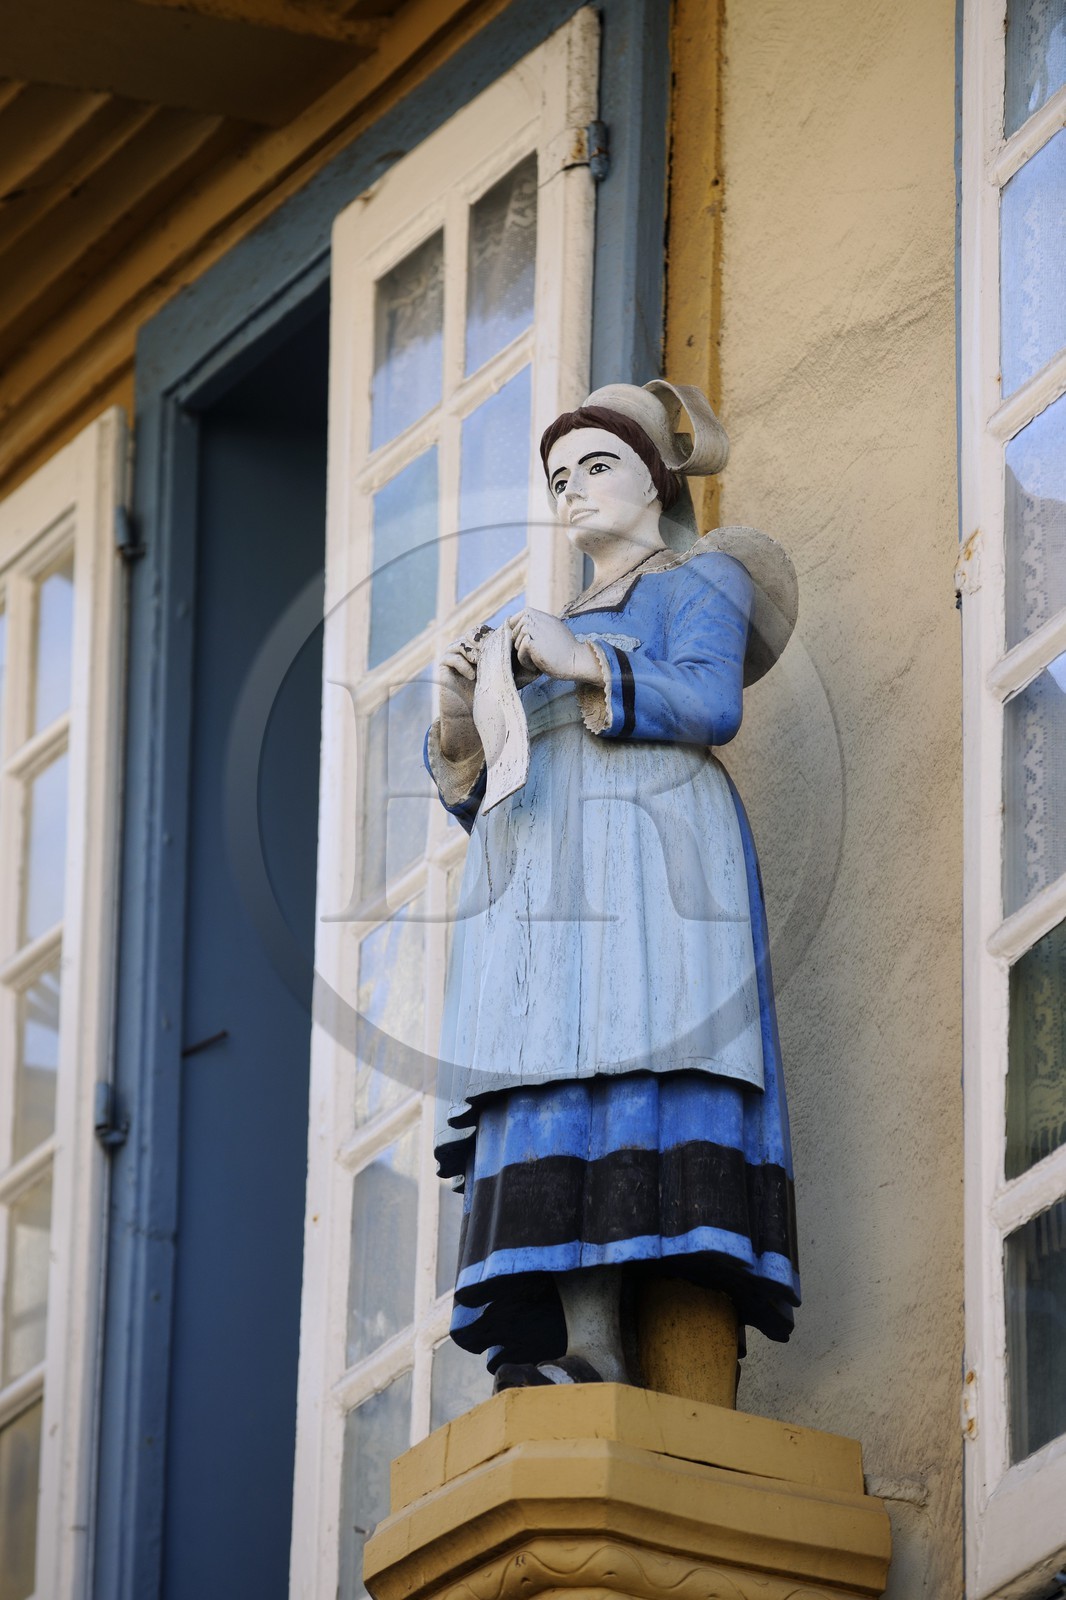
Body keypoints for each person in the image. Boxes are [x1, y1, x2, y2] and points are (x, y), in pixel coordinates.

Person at [425, 380, 800, 1390]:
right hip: (546, 886)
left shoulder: (700, 579)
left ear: (655, 479)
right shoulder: (542, 624)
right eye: (560, 478)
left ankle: (654, 1352)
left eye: (598, 465)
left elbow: (712, 701)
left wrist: (583, 658)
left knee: (644, 1068)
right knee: (557, 1084)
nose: (575, 490)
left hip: (656, 860)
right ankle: (581, 1342)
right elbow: (488, 785)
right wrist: (461, 710)